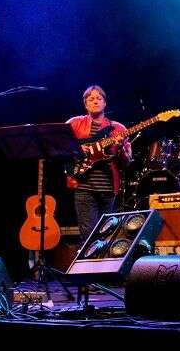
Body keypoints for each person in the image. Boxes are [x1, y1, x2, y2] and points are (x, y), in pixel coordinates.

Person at [66, 85, 132, 244]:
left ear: (105, 103)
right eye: (91, 99)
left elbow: (127, 162)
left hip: (108, 188)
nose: (95, 101)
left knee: (106, 235)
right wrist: (77, 148)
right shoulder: (74, 123)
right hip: (83, 185)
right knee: (89, 237)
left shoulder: (118, 128)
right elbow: (59, 144)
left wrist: (120, 147)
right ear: (85, 104)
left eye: (99, 98)